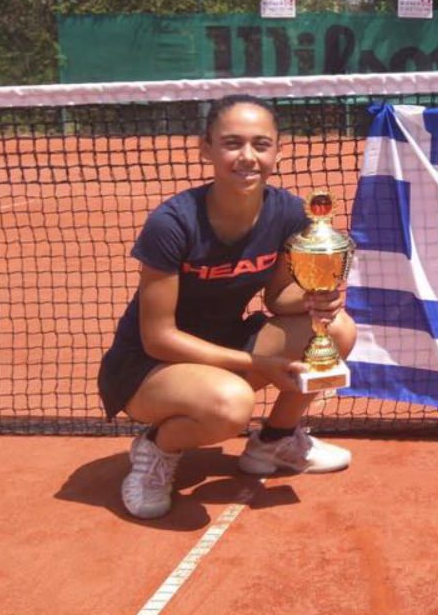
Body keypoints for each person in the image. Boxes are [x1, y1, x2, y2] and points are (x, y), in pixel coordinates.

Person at [97, 94, 357, 519]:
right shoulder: (173, 223)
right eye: (232, 143)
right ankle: (155, 452)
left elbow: (277, 298)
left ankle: (274, 443)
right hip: (147, 367)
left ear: (278, 149)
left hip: (224, 344)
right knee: (231, 405)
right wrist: (256, 361)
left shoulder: (288, 212)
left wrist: (318, 296)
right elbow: (158, 337)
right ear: (206, 148)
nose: (247, 157)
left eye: (260, 144)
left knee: (337, 329)